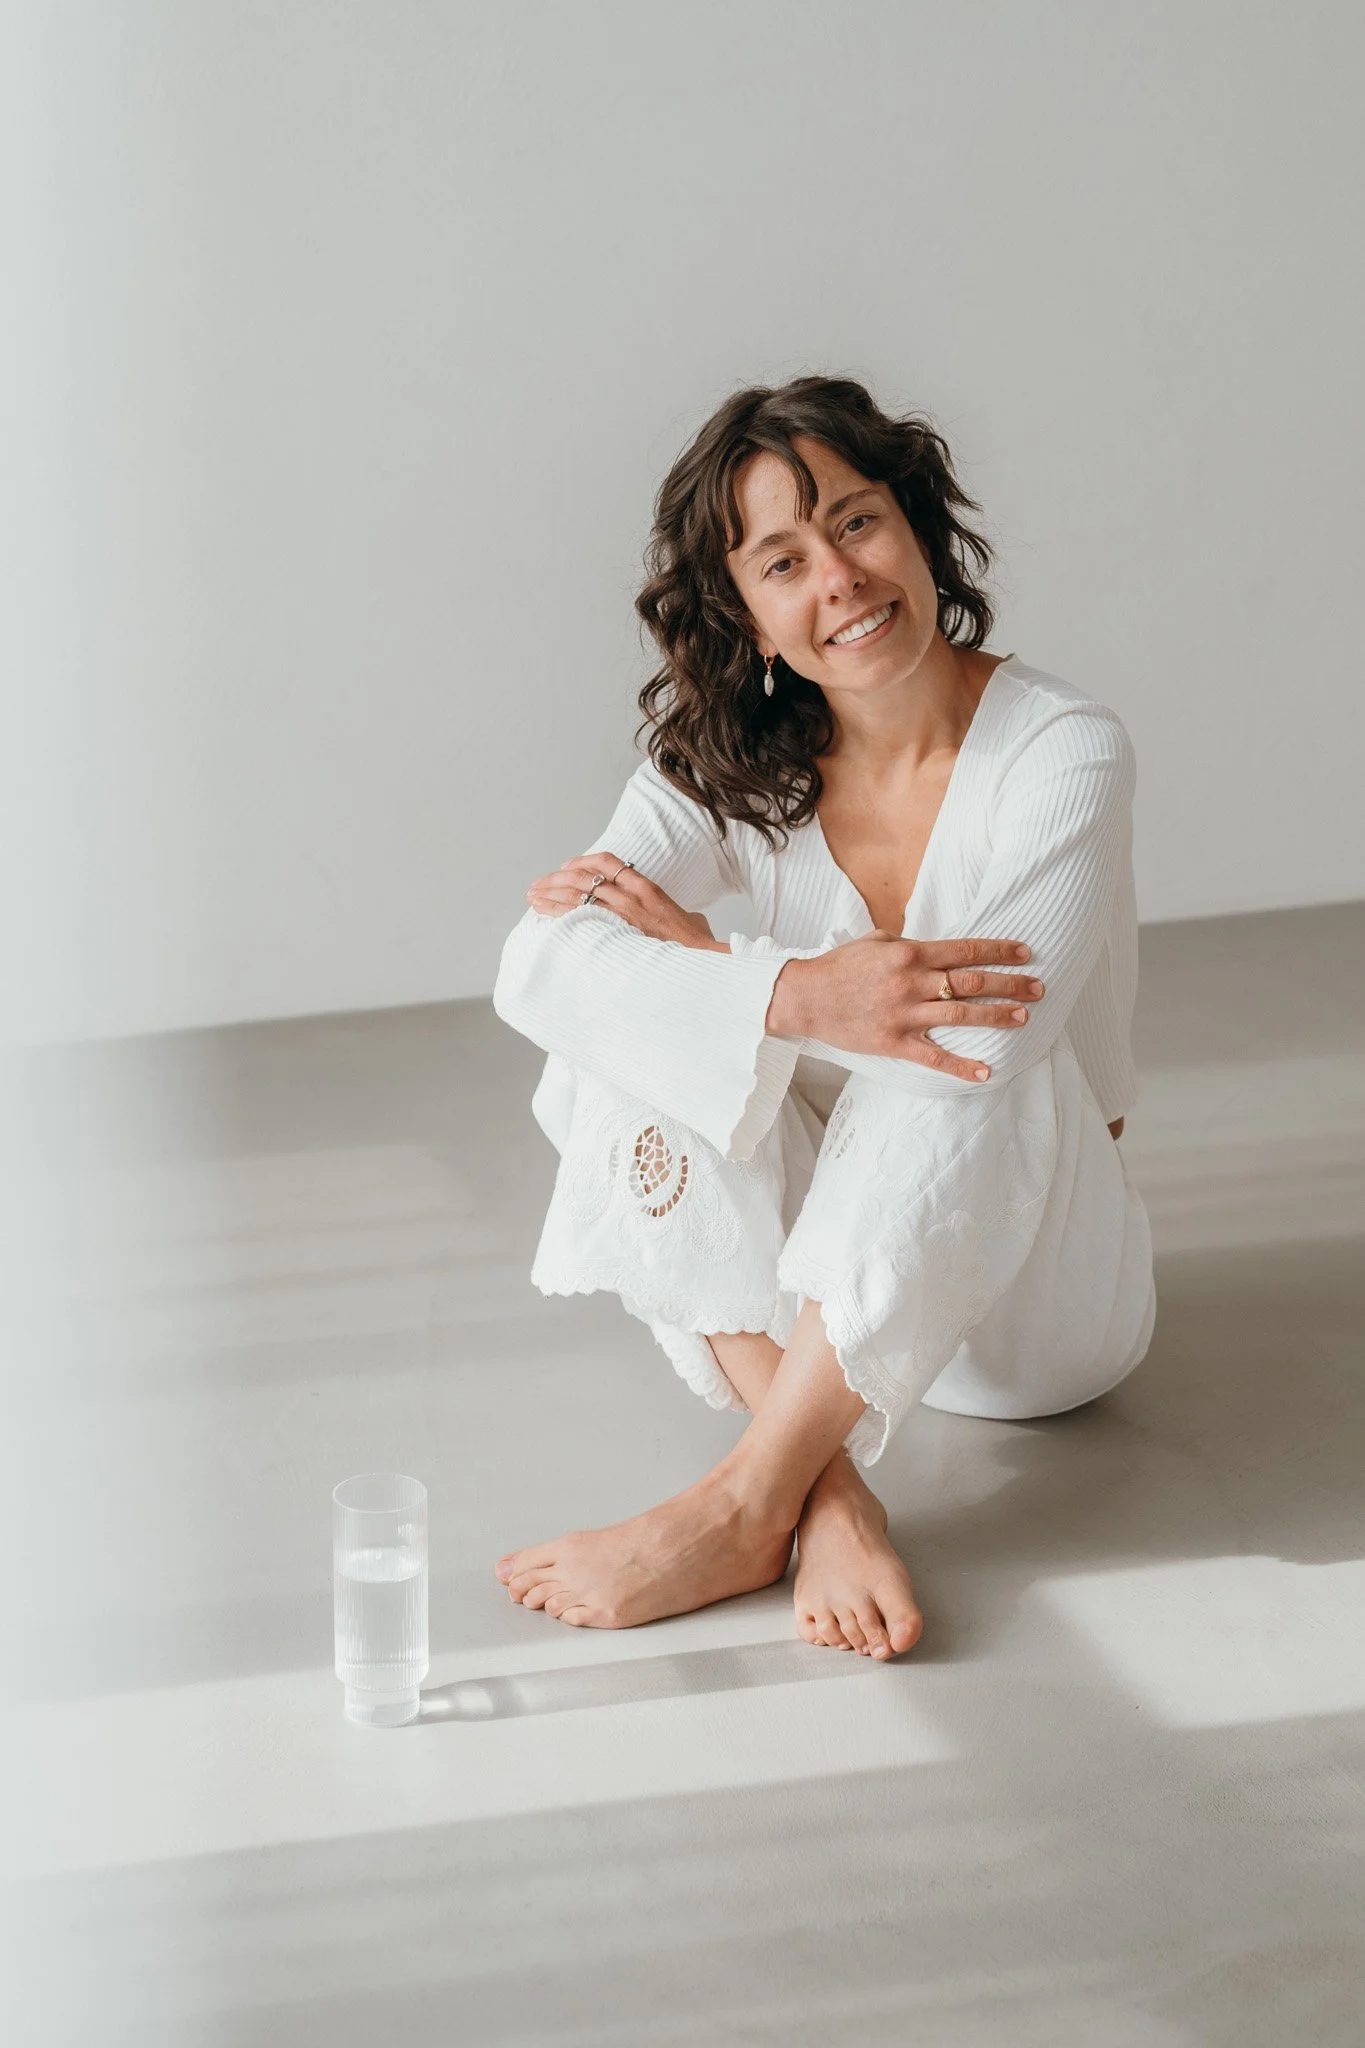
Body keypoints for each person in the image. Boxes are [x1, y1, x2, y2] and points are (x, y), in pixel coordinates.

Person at [490, 374, 1156, 1662]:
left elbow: (984, 1041)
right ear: (744, 610)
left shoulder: (1065, 745)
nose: (838, 579)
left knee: (959, 1047)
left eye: (857, 522)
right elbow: (538, 969)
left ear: (914, 524)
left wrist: (713, 970)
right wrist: (790, 989)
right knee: (609, 1050)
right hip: (819, 1326)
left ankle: (746, 1496)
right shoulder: (722, 761)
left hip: (1034, 1310)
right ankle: (820, 1491)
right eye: (782, 559)